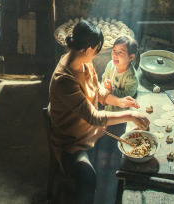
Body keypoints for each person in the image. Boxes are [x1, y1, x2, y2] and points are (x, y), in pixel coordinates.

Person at [48, 21, 149, 203]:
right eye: (96, 49)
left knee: (124, 154)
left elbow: (99, 91)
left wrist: (119, 101)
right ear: (88, 50)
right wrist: (130, 115)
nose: (97, 53)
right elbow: (94, 117)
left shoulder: (84, 62)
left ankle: (115, 196)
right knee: (88, 178)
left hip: (92, 132)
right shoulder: (64, 79)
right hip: (72, 142)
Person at [101, 35, 139, 112]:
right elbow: (104, 79)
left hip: (120, 110)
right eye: (114, 50)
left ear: (131, 57)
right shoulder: (110, 65)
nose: (115, 54)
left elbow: (127, 96)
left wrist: (111, 90)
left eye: (120, 52)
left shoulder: (132, 77)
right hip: (108, 103)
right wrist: (104, 89)